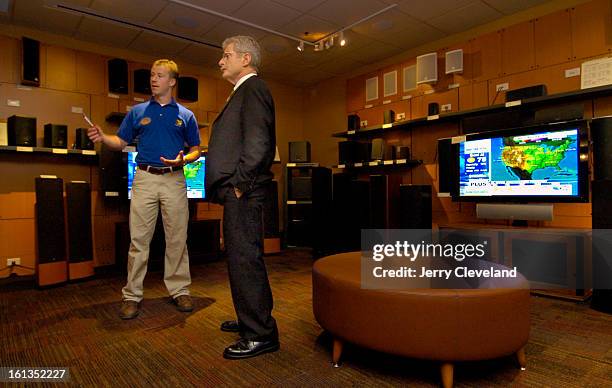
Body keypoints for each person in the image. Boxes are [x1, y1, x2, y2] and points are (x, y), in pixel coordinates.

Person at [88, 59, 201, 319]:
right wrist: (104, 138)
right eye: (152, 75)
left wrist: (185, 159)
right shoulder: (137, 112)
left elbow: (196, 148)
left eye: (159, 76)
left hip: (174, 179)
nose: (153, 79)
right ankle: (132, 296)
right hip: (144, 178)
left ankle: (180, 290)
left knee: (177, 239)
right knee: (139, 240)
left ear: (172, 81)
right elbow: (120, 141)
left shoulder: (186, 116)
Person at [206, 36, 279, 359]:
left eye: (227, 56)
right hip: (239, 191)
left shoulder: (254, 88)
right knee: (239, 259)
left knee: (245, 260)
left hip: (244, 191)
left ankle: (261, 334)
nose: (221, 62)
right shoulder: (241, 92)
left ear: (245, 59)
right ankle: (251, 319)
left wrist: (239, 184)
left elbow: (258, 142)